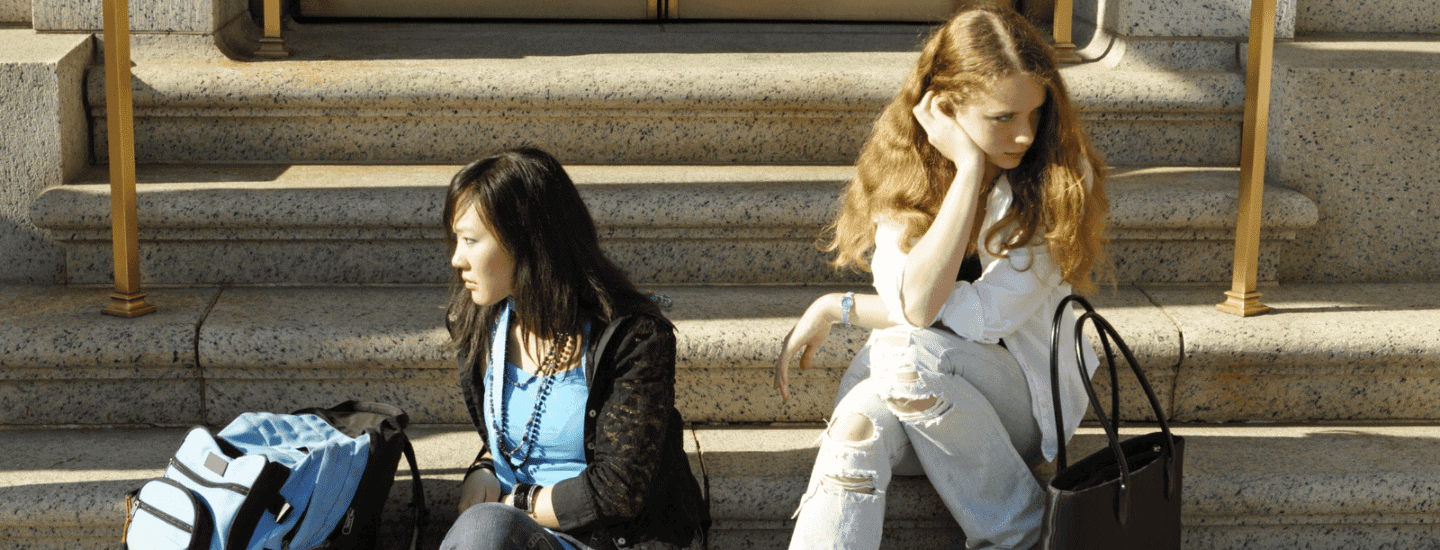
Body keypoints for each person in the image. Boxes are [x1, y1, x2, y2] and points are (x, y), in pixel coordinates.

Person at [773, 6, 1108, 550]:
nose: (1024, 135)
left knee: (904, 354)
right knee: (856, 430)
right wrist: (966, 175)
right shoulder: (906, 168)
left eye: (1035, 113)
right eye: (1003, 117)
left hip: (1020, 403)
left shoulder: (1059, 179)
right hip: (915, 388)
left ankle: (1022, 533)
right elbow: (914, 304)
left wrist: (844, 307)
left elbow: (954, 315)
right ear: (945, 109)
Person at [442, 147, 709, 550]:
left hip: (611, 539)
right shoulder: (479, 321)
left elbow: (618, 489)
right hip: (518, 535)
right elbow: (527, 427)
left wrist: (516, 502)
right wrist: (485, 466)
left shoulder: (632, 338)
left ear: (526, 241)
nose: (456, 259)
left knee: (485, 529)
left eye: (469, 240)